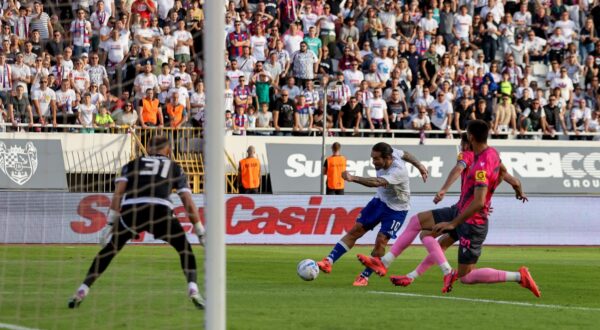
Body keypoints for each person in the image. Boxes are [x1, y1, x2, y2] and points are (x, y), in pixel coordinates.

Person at [358, 121, 541, 297]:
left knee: (466, 276)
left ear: (469, 137)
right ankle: (387, 264)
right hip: (461, 210)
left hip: (472, 222)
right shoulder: (493, 153)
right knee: (418, 223)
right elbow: (509, 177)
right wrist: (517, 191)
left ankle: (519, 276)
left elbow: (471, 191)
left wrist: (453, 219)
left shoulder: (475, 161)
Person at [68, 136, 206, 309]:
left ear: (148, 148)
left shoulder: (132, 164)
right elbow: (187, 201)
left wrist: (110, 225)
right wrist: (200, 230)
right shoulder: (175, 167)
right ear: (168, 150)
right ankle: (193, 289)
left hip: (132, 211)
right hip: (160, 210)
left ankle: (83, 288)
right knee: (184, 249)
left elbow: (118, 193)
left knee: (110, 249)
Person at [316, 142, 428, 286]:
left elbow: (377, 182)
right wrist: (420, 166)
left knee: (381, 240)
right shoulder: (393, 152)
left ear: (387, 158)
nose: (373, 162)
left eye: (376, 159)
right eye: (372, 158)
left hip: (397, 210)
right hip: (379, 202)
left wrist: (353, 178)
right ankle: (328, 261)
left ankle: (364, 277)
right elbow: (406, 154)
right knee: (356, 230)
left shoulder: (398, 171)